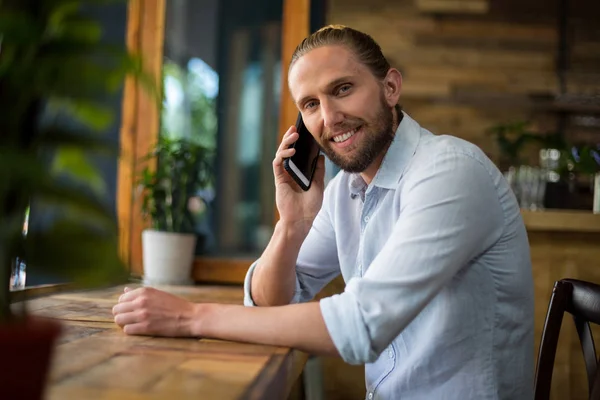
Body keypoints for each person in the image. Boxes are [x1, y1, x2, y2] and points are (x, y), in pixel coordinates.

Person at [113, 25, 534, 399]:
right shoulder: (344, 192)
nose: (329, 117)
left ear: (390, 87)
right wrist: (292, 225)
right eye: (310, 104)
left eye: (343, 89)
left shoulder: (450, 170)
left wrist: (190, 318)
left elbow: (361, 325)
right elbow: (270, 306)